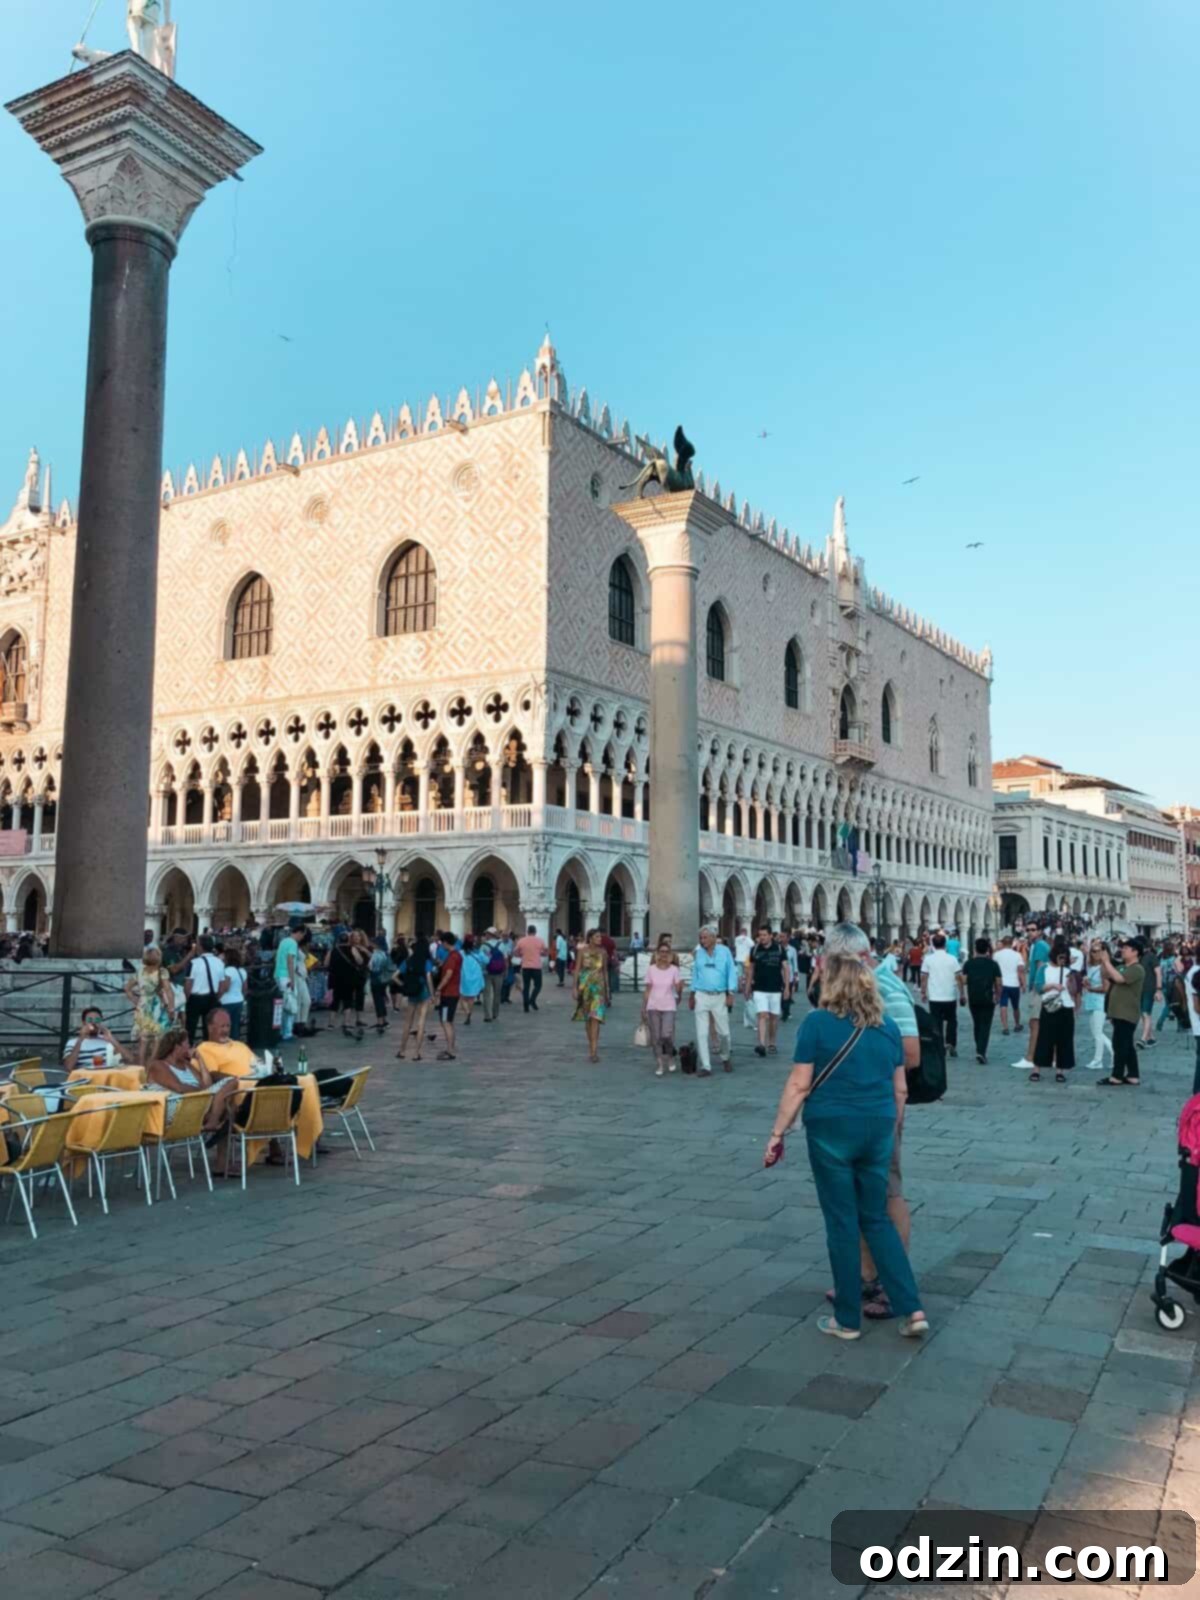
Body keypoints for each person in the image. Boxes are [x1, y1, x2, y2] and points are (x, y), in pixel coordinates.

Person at [764, 941, 928, 1341]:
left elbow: (800, 1084)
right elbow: (901, 1090)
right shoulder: (887, 1027)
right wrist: (890, 1129)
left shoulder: (817, 1024)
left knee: (841, 1219)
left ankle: (847, 1319)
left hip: (832, 1128)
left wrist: (777, 1133)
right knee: (875, 1217)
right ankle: (913, 1309)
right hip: (878, 1127)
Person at [148, 1025, 239, 1133]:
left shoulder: (186, 1065)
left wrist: (200, 1060)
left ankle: (216, 1123)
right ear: (177, 1047)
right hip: (176, 1110)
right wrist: (204, 1093)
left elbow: (207, 1085)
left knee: (230, 1104)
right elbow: (179, 1088)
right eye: (187, 1044)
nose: (190, 1047)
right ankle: (214, 1120)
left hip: (195, 1104)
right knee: (231, 1089)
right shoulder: (159, 1065)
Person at [1097, 937, 1145, 1087]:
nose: (1122, 950)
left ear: (1135, 952)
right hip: (1118, 1012)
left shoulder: (1137, 969)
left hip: (1127, 1013)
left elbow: (1119, 979)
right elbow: (1107, 975)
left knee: (1120, 1045)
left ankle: (1116, 1076)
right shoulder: (1123, 966)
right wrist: (1104, 959)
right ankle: (1133, 1075)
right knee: (1127, 1045)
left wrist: (1106, 962)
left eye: (1126, 948)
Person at [689, 925, 737, 1075]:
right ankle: (706, 1066)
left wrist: (731, 993)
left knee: (724, 1032)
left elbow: (731, 972)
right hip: (701, 995)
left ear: (713, 938)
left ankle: (725, 1056)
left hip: (719, 995)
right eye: (701, 938)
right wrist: (692, 994)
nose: (702, 941)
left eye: (705, 938)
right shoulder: (699, 953)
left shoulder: (725, 952)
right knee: (702, 1033)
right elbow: (695, 974)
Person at [1030, 936, 1078, 1084]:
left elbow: (1074, 991)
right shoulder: (1045, 968)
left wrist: (1071, 981)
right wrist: (1052, 986)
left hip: (1066, 1006)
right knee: (1044, 1038)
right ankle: (1036, 1069)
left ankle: (1060, 1070)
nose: (1062, 960)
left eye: (1065, 957)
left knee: (1064, 1040)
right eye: (1060, 957)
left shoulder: (1069, 970)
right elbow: (1038, 987)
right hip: (1050, 1006)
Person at [125, 945, 177, 1063]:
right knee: (157, 1039)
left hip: (142, 1006)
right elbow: (168, 990)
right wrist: (171, 1008)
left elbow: (127, 988)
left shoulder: (140, 971)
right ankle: (152, 1067)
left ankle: (141, 1068)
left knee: (143, 1041)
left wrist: (136, 1001)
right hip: (156, 1006)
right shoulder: (162, 971)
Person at [641, 936, 684, 1077]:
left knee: (666, 1035)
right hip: (653, 1005)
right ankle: (660, 1063)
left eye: (666, 952)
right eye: (661, 952)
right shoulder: (651, 969)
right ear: (657, 954)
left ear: (670, 954)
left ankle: (670, 1055)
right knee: (656, 1036)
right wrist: (644, 1007)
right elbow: (647, 989)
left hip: (669, 1005)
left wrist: (679, 987)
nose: (664, 954)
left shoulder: (674, 970)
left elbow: (678, 988)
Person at [747, 923, 790, 1058]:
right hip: (759, 988)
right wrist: (747, 986)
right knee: (762, 1015)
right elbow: (751, 968)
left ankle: (771, 1042)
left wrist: (787, 987)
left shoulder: (779, 949)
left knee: (773, 1018)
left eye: (765, 935)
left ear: (771, 936)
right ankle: (761, 1044)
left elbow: (785, 968)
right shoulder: (754, 950)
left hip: (775, 988)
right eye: (760, 935)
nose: (762, 938)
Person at [1012, 925, 1051, 1072]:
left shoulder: (1040, 946)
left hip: (1039, 989)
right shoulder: (1037, 945)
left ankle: (1030, 1058)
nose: (1030, 932)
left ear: (1039, 931)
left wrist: (1036, 987)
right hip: (1042, 988)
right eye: (1027, 929)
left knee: (1034, 1023)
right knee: (1044, 1024)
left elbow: (1040, 966)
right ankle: (1052, 1058)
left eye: (1033, 929)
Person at [958, 938, 1002, 1064]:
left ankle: (979, 1048)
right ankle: (981, 1051)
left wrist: (962, 992)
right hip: (988, 997)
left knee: (977, 1023)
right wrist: (998, 995)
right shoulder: (993, 964)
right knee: (985, 1025)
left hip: (974, 997)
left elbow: (964, 981)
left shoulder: (969, 964)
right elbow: (998, 983)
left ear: (975, 949)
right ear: (988, 949)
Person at [573, 928, 610, 1062]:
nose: (600, 939)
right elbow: (577, 970)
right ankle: (591, 1045)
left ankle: (594, 1051)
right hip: (585, 987)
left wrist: (607, 990)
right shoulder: (582, 952)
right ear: (590, 938)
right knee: (588, 1019)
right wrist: (574, 988)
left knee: (596, 1018)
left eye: (600, 937)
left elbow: (605, 971)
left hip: (598, 988)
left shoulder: (603, 952)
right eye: (597, 937)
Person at [920, 934, 960, 1058]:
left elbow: (924, 977)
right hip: (950, 995)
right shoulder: (952, 959)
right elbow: (958, 977)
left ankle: (939, 1045)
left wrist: (923, 992)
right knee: (952, 1020)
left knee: (936, 1023)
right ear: (945, 944)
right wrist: (962, 993)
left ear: (933, 944)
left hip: (935, 996)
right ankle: (950, 1042)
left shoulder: (928, 959)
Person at [63, 1006, 137, 1073]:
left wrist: (112, 1039)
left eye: (97, 1019)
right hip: (86, 1078)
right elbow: (69, 1067)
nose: (94, 1022)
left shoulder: (107, 1041)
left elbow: (131, 1060)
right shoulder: (73, 1043)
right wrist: (80, 1039)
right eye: (90, 1019)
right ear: (83, 1023)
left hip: (107, 1076)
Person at [184, 934, 228, 1045]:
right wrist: (216, 997)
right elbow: (222, 985)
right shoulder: (220, 963)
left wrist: (185, 999)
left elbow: (188, 985)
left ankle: (188, 1051)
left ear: (200, 946)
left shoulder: (194, 963)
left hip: (195, 998)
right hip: (212, 997)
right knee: (209, 1028)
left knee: (190, 1028)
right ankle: (208, 1049)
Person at [395, 935, 433, 1061]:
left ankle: (401, 1050)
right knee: (421, 1022)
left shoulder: (408, 961)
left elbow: (394, 976)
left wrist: (404, 986)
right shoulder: (426, 961)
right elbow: (428, 978)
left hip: (411, 992)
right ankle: (416, 1053)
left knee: (407, 1023)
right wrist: (432, 994)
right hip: (423, 992)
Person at [1081, 938, 1113, 1071]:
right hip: (1092, 1000)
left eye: (1098, 951)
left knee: (1098, 1032)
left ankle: (1098, 1060)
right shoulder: (1091, 966)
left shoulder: (1103, 967)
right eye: (1093, 951)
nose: (1095, 953)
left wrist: (1091, 988)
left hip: (1100, 1001)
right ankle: (1113, 1054)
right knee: (1095, 1032)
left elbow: (1106, 988)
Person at [330, 931, 368, 1039]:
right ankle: (346, 1023)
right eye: (354, 936)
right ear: (349, 939)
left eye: (358, 936)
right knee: (348, 1000)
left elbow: (327, 962)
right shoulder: (352, 948)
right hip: (351, 978)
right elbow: (360, 961)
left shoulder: (334, 949)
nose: (357, 938)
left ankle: (331, 1024)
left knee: (336, 999)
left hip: (338, 978)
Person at [434, 937, 463, 1061]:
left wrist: (439, 988)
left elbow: (448, 974)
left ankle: (450, 1051)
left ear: (446, 943)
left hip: (448, 994)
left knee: (445, 1021)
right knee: (449, 1022)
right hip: (454, 992)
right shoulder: (457, 955)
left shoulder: (452, 957)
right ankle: (450, 1047)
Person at [994, 935, 1025, 1036]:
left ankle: (1005, 1027)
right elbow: (1020, 970)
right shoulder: (1017, 955)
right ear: (1012, 943)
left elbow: (994, 971)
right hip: (1014, 983)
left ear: (1002, 943)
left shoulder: (996, 955)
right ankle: (1017, 1024)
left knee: (1003, 1005)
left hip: (1002, 983)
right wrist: (1023, 983)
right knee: (1015, 1006)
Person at [515, 925, 548, 1012]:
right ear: (535, 931)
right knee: (538, 985)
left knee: (526, 986)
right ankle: (532, 999)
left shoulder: (521, 941)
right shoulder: (540, 941)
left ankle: (526, 1006)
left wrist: (522, 954)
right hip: (536, 966)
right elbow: (545, 952)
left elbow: (515, 952)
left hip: (525, 966)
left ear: (527, 931)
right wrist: (540, 954)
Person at [368, 935, 394, 1034]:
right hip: (384, 979)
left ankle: (380, 1021)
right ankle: (384, 1020)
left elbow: (371, 967)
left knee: (377, 1000)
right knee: (382, 999)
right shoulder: (385, 954)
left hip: (375, 978)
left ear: (376, 944)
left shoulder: (375, 955)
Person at [479, 928, 506, 1021]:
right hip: (499, 972)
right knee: (497, 994)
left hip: (486, 972)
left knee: (486, 994)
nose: (485, 935)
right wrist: (505, 971)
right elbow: (505, 959)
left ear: (489, 934)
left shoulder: (484, 946)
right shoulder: (502, 945)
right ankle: (495, 1013)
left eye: (486, 934)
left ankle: (487, 1015)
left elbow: (481, 960)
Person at [221, 944, 246, 1041]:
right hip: (238, 1000)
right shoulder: (242, 971)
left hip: (226, 1001)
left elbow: (225, 987)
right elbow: (245, 988)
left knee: (225, 1025)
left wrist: (218, 995)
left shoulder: (228, 971)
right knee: (235, 1026)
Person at [458, 934, 485, 1024]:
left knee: (462, 997)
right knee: (471, 998)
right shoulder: (478, 952)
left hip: (464, 977)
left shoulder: (461, 953)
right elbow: (487, 960)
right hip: (476, 977)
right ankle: (470, 1012)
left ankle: (467, 1012)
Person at [1139, 943, 1161, 1050]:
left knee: (1145, 1012)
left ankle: (1143, 1039)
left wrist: (1158, 989)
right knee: (1143, 1014)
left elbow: (1158, 972)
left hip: (1149, 988)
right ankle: (1150, 1037)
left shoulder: (1151, 956)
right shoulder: (1138, 957)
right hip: (1139, 990)